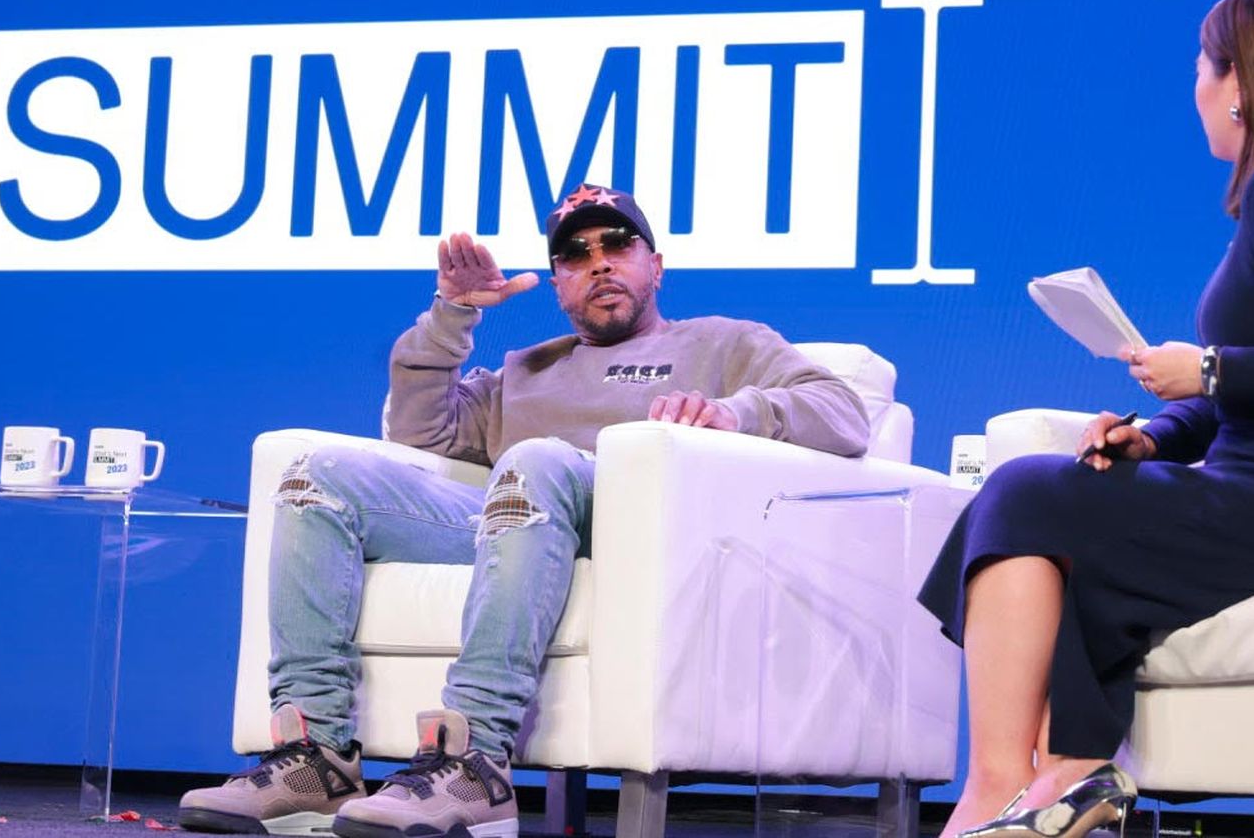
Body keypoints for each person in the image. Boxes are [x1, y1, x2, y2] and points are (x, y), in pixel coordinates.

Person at [180, 185, 870, 838]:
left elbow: (843, 414)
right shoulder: (525, 371)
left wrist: (734, 411)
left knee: (536, 460)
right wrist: (453, 314)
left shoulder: (723, 343)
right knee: (318, 478)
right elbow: (420, 435)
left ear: (655, 265)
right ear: (559, 282)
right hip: (515, 524)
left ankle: (474, 761)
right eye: (575, 254)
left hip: (639, 532)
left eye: (617, 244)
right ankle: (314, 760)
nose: (598, 263)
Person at [918, 0, 1254, 838]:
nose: (1193, 84)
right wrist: (1154, 435)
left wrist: (1212, 371)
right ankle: (1069, 781)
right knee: (1066, 509)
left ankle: (1000, 789)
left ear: (1238, 82)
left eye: (1201, 64)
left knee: (1022, 493)